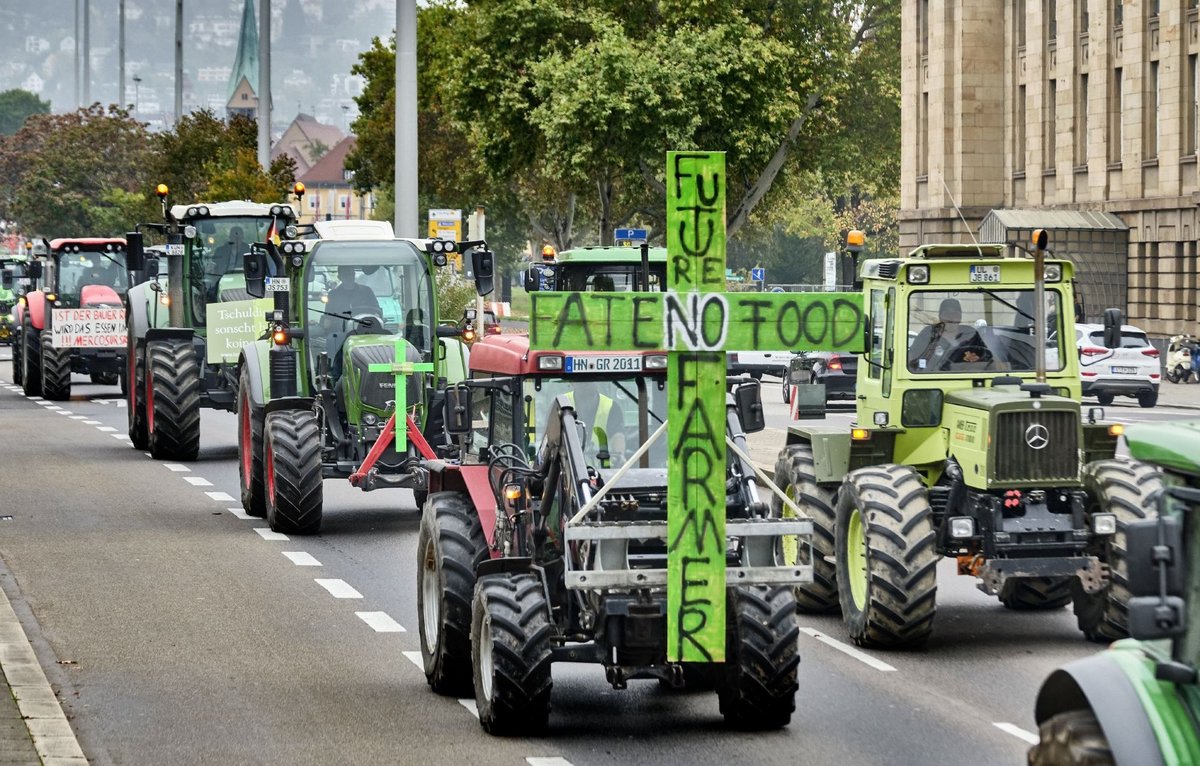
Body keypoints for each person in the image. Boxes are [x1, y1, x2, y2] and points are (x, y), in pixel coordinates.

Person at [908, 297, 991, 371]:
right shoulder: (928, 333)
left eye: (955, 313)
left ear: (960, 317)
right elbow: (911, 358)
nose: (951, 317)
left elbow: (989, 360)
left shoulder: (970, 334)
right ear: (940, 316)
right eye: (946, 313)